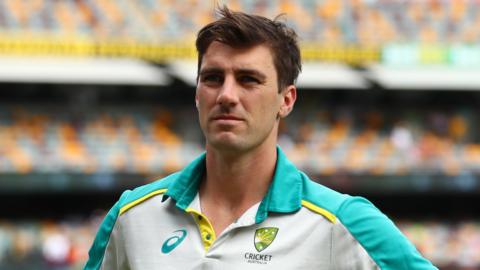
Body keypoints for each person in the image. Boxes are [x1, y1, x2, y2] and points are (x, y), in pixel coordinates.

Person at [84, 6, 437, 270]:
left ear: (286, 100)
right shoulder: (132, 215)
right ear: (196, 94)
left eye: (249, 79)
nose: (227, 94)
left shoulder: (342, 222)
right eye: (212, 78)